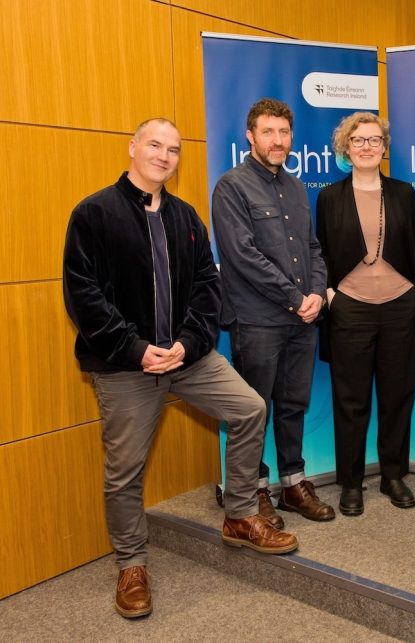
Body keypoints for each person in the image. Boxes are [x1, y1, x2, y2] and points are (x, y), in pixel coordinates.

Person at [63, 118, 298, 620]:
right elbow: (84, 296)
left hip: (186, 357)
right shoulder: (94, 214)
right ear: (133, 148)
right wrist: (136, 349)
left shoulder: (186, 217)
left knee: (250, 408)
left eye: (173, 149)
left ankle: (239, 515)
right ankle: (131, 565)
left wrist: (188, 344)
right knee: (125, 471)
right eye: (155, 145)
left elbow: (207, 289)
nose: (164, 156)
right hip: (125, 363)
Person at [212, 98, 335, 526]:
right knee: (254, 408)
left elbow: (314, 249)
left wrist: (316, 293)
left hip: (302, 318)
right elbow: (242, 256)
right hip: (258, 319)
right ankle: (253, 491)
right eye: (268, 132)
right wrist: (294, 297)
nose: (277, 141)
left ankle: (293, 485)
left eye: (283, 133)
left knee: (292, 404)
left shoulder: (298, 188)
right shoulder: (232, 186)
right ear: (250, 136)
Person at [316, 112, 415, 516]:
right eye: (358, 140)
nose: (366, 146)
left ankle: (393, 476)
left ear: (384, 147)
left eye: (374, 140)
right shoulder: (329, 196)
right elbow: (323, 251)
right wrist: (330, 293)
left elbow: (413, 245)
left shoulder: (403, 192)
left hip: (399, 305)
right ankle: (351, 482)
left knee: (397, 397)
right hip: (350, 307)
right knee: (351, 399)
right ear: (347, 147)